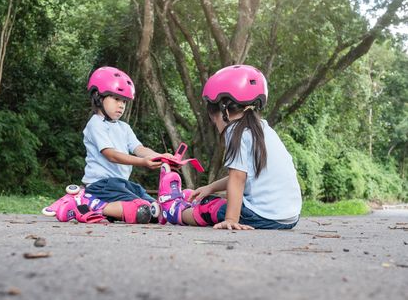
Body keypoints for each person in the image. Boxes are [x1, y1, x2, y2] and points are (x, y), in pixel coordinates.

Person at [157, 65, 302, 230]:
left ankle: (174, 211)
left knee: (213, 208)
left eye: (214, 120)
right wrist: (210, 187)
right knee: (217, 199)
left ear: (223, 110)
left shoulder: (236, 132)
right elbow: (243, 175)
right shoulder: (263, 129)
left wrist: (231, 219)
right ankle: (195, 200)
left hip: (263, 216)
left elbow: (238, 178)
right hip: (289, 217)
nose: (216, 125)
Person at [45, 66, 172, 224]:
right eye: (116, 99)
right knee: (143, 211)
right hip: (101, 185)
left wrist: (161, 157)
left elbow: (139, 149)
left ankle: (106, 209)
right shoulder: (96, 124)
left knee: (158, 211)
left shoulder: (123, 127)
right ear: (99, 97)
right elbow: (110, 155)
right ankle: (87, 203)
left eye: (124, 101)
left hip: (121, 184)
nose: (121, 105)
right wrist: (142, 162)